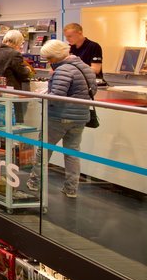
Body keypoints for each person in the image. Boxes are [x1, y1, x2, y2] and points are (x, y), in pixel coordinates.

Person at [26, 39, 96, 199]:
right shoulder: (86, 68)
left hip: (59, 117)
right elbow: (92, 91)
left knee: (43, 150)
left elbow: (56, 96)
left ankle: (35, 182)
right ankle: (71, 188)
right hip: (80, 117)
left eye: (49, 58)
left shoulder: (63, 70)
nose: (49, 62)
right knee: (72, 153)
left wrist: (40, 96)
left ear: (55, 56)